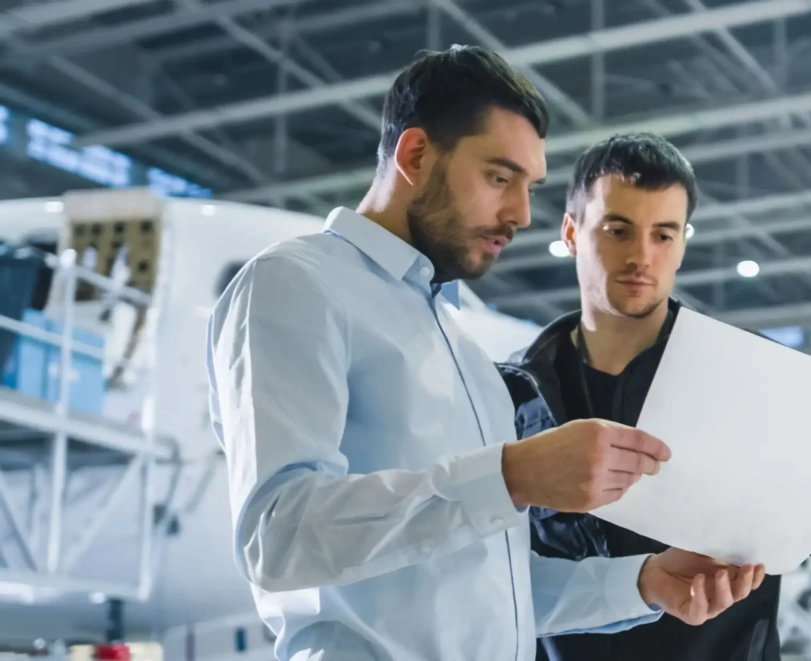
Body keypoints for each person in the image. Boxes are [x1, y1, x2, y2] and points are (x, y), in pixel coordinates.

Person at [206, 47, 764, 661]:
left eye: (530, 187)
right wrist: (511, 475)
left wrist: (643, 582)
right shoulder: (296, 284)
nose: (521, 214)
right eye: (499, 177)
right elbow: (277, 537)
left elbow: (492, 588)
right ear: (415, 155)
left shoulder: (464, 351)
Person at [499, 132, 811, 661]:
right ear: (572, 232)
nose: (641, 256)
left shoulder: (752, 375)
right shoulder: (511, 396)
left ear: (683, 243)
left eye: (663, 235)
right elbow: (488, 575)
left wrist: (800, 482)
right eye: (618, 231)